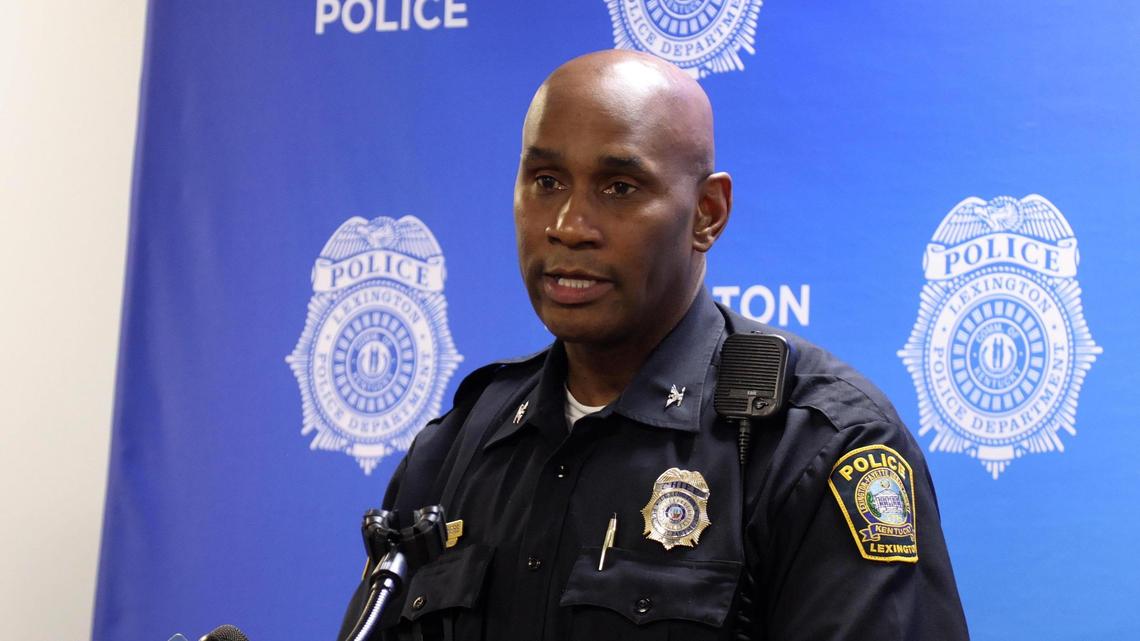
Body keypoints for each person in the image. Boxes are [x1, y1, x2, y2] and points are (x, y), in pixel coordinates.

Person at [338, 50, 970, 641]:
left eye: (619, 188)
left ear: (707, 213)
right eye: (547, 180)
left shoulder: (815, 444)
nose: (567, 226)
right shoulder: (454, 449)